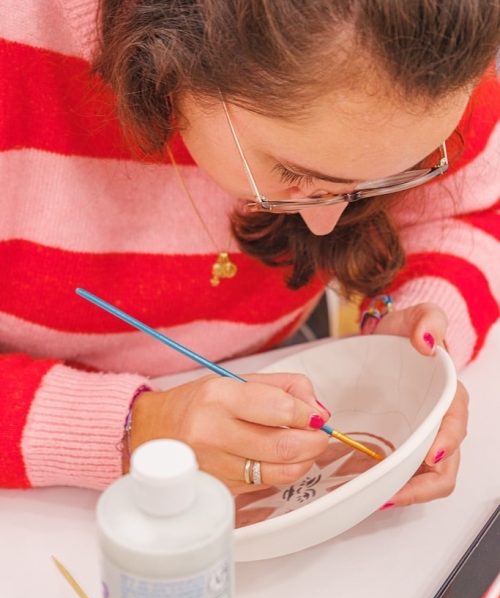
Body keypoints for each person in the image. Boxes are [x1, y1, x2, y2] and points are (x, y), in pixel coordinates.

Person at [1, 1, 498, 507]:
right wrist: (130, 428)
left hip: (284, 363)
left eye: (394, 173)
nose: (323, 224)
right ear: (181, 48)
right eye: (295, 175)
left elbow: (476, 212)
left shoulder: (426, 48)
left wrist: (419, 334)